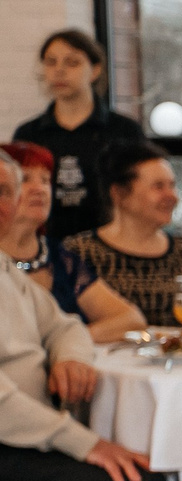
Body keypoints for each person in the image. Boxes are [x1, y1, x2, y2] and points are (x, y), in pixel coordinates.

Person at [0, 151, 182, 481]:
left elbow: (63, 324)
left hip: (28, 435)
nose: (4, 203)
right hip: (8, 446)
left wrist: (67, 355)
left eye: (7, 191)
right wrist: (86, 444)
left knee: (141, 468)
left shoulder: (5, 270)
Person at [14, 29, 149, 243]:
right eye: (51, 62)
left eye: (72, 62)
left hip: (112, 245)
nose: (59, 70)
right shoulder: (29, 134)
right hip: (48, 246)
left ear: (94, 70)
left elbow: (142, 193)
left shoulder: (124, 131)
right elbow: (17, 198)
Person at [0, 144, 145, 342]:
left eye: (45, 180)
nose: (40, 189)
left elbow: (131, 319)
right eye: (25, 179)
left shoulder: (60, 257)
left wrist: (70, 342)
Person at [62, 141, 182, 331]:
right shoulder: (80, 253)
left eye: (172, 185)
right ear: (118, 194)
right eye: (158, 187)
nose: (171, 196)